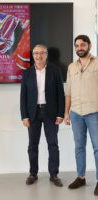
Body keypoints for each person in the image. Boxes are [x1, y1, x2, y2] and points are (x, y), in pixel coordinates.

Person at [20, 44, 65, 187]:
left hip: (51, 113)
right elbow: (23, 97)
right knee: (33, 145)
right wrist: (24, 116)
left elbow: (60, 94)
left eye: (42, 53)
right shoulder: (27, 73)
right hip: (33, 114)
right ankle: (33, 173)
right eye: (36, 53)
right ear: (33, 56)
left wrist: (60, 113)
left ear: (46, 55)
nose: (39, 56)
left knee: (53, 144)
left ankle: (54, 174)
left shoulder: (55, 71)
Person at [64, 35, 98, 195]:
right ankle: (81, 177)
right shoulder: (71, 67)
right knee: (79, 147)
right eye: (76, 45)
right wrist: (66, 112)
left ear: (89, 46)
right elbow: (68, 92)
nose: (79, 48)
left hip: (94, 112)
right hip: (76, 112)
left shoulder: (97, 63)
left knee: (97, 147)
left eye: (82, 45)